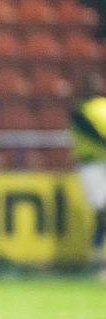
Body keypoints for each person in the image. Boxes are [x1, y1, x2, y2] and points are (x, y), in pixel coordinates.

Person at [70, 74, 106, 279]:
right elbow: (93, 133)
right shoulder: (80, 112)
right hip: (91, 165)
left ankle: (99, 258)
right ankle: (97, 260)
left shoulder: (103, 106)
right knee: (101, 211)